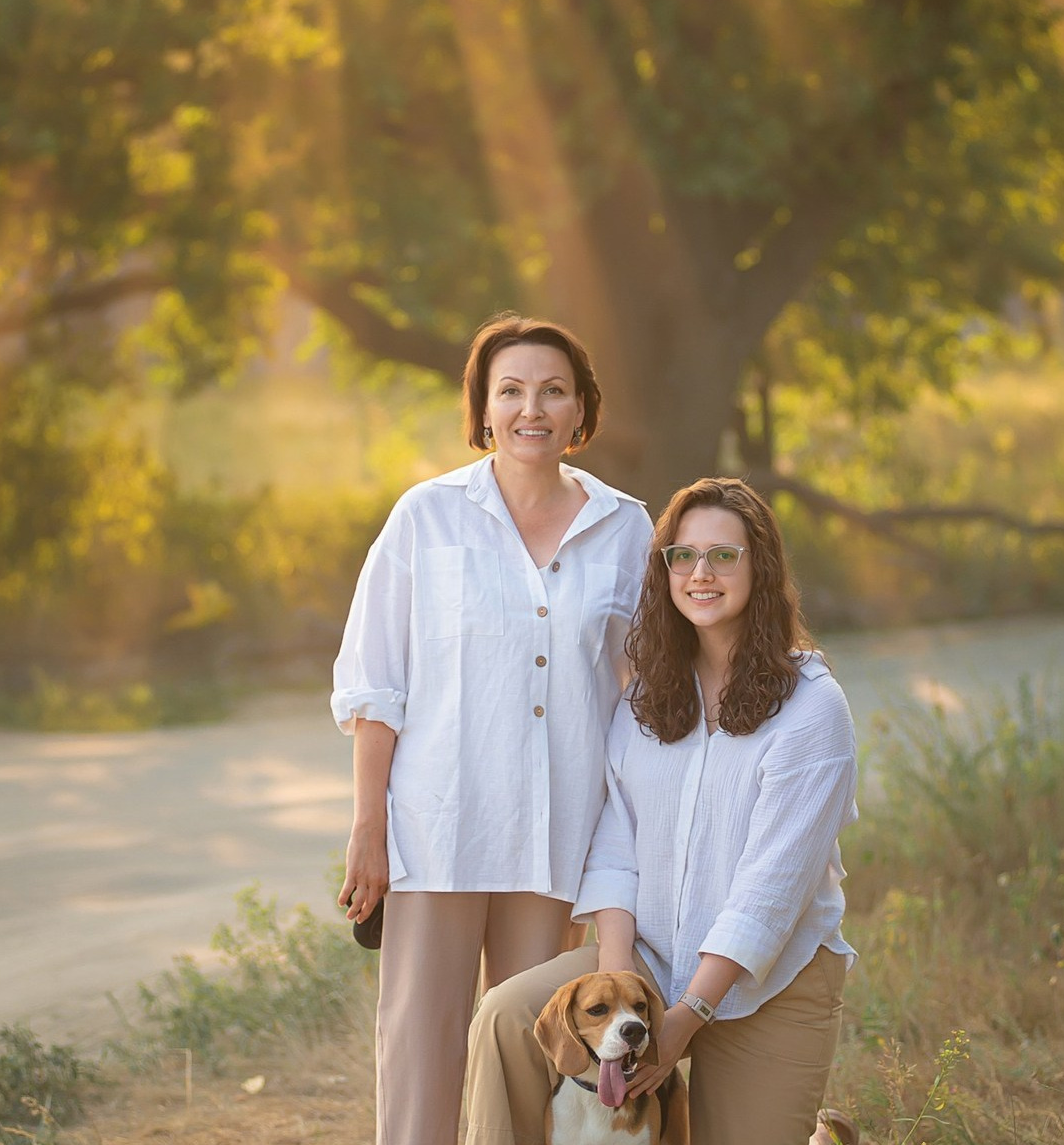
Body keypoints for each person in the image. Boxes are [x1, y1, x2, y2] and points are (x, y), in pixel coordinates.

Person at [331, 312, 654, 1145]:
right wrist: (369, 827)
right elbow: (376, 685)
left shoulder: (625, 529)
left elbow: (647, 695)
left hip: (559, 837)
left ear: (582, 410)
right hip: (438, 827)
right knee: (420, 1044)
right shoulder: (424, 519)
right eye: (509, 391)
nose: (531, 409)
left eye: (553, 390)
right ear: (481, 410)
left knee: (536, 1051)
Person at [465, 477, 860, 1145]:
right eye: (684, 556)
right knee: (505, 1016)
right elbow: (616, 843)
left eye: (724, 556)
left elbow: (769, 893)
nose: (700, 573)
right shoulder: (648, 695)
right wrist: (621, 988)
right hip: (647, 959)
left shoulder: (812, 709)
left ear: (760, 569)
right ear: (665, 570)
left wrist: (682, 1021)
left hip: (772, 981)